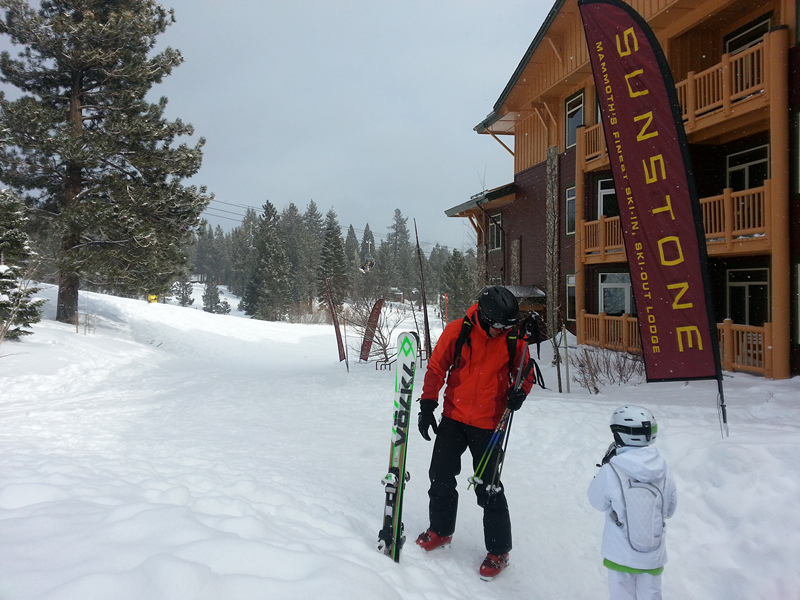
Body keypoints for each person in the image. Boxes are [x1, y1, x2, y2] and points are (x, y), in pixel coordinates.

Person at [415, 286, 536, 581]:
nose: (501, 331)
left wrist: (520, 392)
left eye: (507, 326)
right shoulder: (457, 331)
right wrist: (428, 405)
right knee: (440, 477)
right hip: (453, 418)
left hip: (490, 424)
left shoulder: (512, 339)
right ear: (484, 315)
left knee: (489, 487)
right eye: (497, 325)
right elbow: (435, 368)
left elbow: (526, 372)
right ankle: (440, 531)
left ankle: (499, 551)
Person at [588, 406, 678, 600]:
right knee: (652, 595)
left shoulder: (612, 468)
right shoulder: (663, 469)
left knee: (621, 594)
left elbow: (597, 502)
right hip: (652, 552)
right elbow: (669, 509)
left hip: (620, 552)